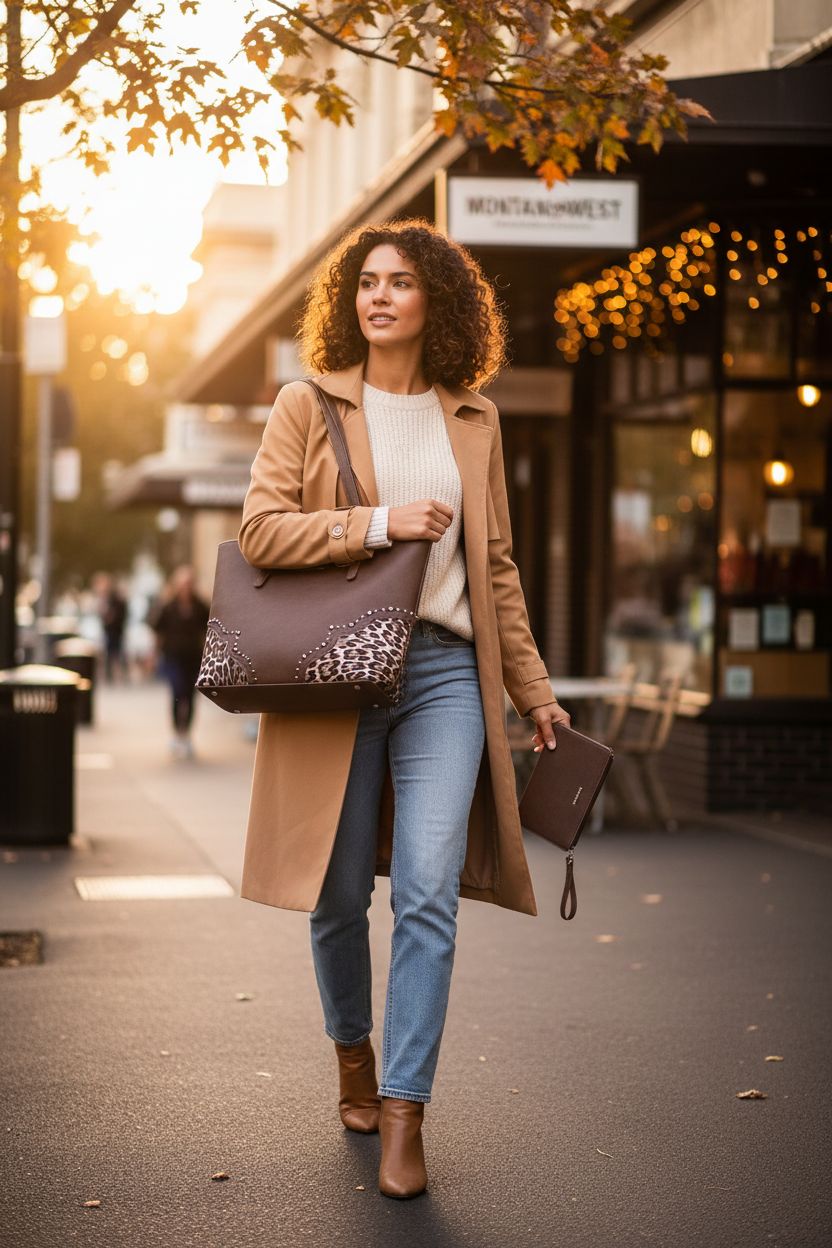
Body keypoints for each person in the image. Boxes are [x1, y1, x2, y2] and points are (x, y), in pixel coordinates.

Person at [238, 220, 570, 1199]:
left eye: (401, 282)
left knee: (426, 891)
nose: (379, 296)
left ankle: (402, 1108)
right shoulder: (308, 405)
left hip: (442, 676)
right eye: (366, 282)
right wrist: (380, 523)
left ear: (438, 302)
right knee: (339, 894)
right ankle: (351, 1049)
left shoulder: (474, 419)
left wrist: (534, 691)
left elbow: (495, 566)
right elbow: (259, 531)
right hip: (338, 675)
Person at [150, 565, 209, 759]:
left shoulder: (200, 606)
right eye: (182, 584)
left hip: (194, 658)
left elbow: (210, 631)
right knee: (177, 692)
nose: (185, 588)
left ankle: (186, 734)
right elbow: (158, 631)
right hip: (173, 657)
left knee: (190, 697)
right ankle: (177, 733)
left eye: (188, 584)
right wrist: (153, 655)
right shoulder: (168, 607)